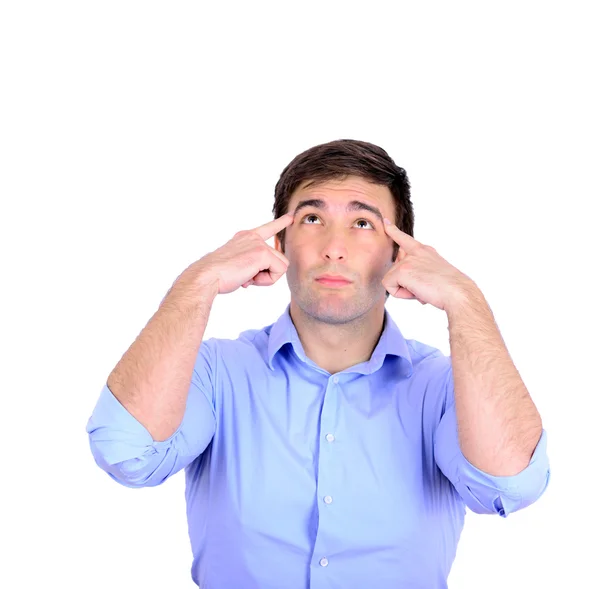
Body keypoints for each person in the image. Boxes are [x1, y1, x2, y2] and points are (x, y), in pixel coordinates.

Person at [86, 139, 550, 589]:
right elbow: (127, 455)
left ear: (400, 252)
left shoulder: (446, 387)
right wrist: (199, 281)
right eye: (311, 218)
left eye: (364, 223)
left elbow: (509, 487)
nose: (334, 247)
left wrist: (466, 302)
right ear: (280, 243)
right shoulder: (214, 371)